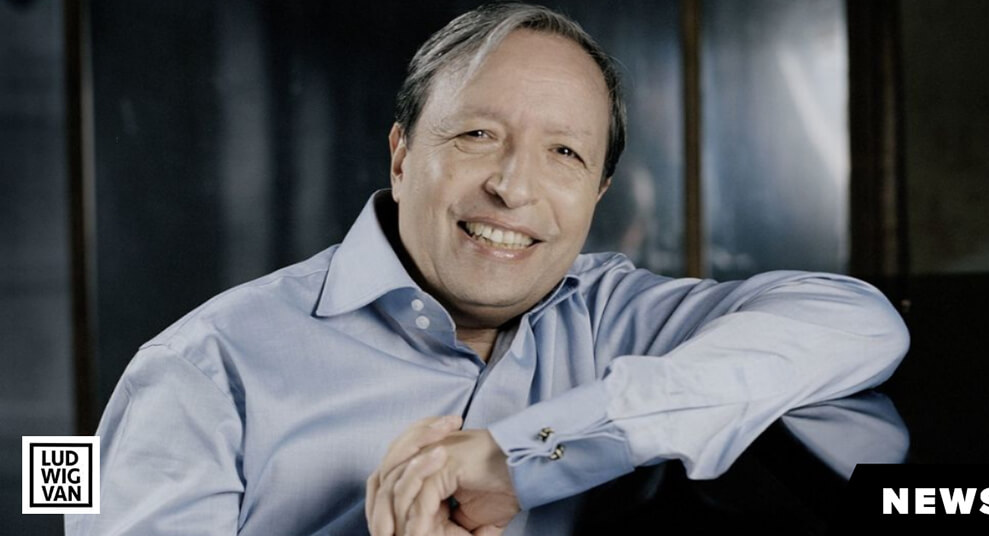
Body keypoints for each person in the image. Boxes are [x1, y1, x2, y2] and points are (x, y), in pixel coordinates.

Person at [66, 3, 909, 535]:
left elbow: (856, 324)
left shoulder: (619, 319)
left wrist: (529, 452)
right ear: (402, 155)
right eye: (477, 136)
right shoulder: (201, 370)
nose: (513, 187)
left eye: (565, 153)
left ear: (598, 192)